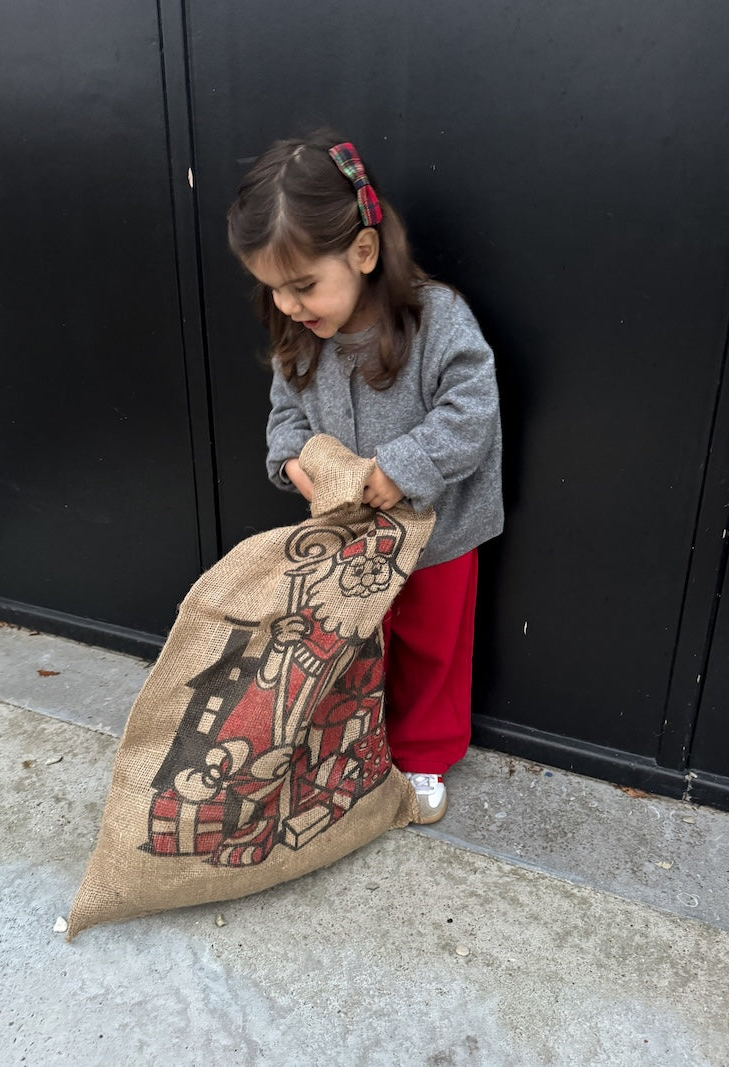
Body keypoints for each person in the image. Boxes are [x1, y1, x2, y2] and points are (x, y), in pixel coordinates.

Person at [227, 131, 503, 823]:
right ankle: (357, 747)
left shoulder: (434, 319)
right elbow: (285, 414)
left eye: (303, 286)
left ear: (363, 251)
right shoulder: (300, 336)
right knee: (352, 646)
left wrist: (402, 468)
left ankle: (424, 755)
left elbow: (473, 408)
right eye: (273, 290)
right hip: (347, 543)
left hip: (436, 534)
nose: (289, 306)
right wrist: (294, 464)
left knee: (431, 647)